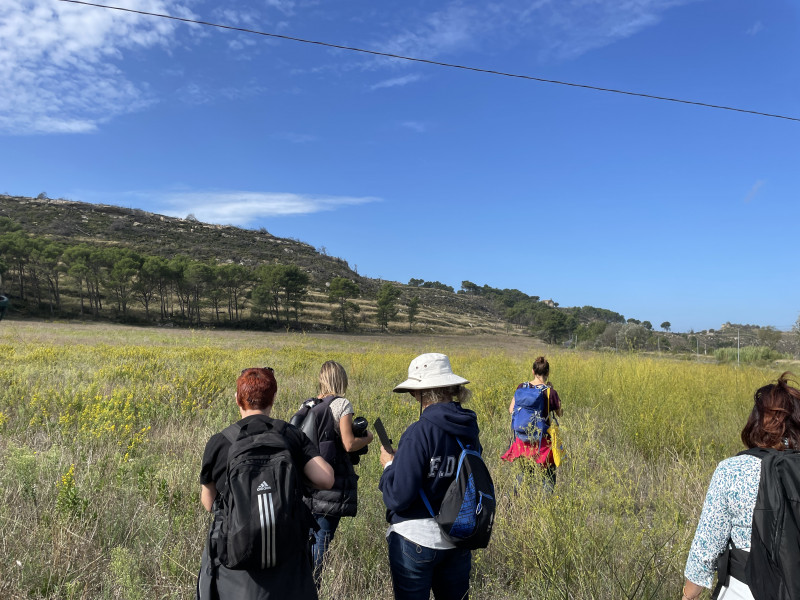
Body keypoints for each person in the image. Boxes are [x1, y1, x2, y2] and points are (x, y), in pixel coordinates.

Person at [197, 367, 334, 600]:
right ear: (273, 399)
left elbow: (208, 501)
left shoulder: (220, 442)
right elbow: (326, 479)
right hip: (286, 564)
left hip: (235, 567)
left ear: (237, 399)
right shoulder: (290, 435)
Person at [682, 373, 800, 600]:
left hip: (744, 589)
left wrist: (689, 596)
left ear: (755, 422)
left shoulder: (733, 470)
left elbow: (705, 549)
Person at [379, 352, 481, 600]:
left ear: (424, 392)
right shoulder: (469, 429)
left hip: (416, 540)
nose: (414, 397)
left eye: (415, 392)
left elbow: (398, 498)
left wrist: (390, 466)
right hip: (458, 536)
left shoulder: (419, 432)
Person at [306, 361, 374, 584]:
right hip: (331, 486)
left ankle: (301, 585)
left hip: (308, 484)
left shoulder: (308, 404)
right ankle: (313, 588)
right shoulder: (341, 404)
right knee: (322, 540)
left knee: (306, 540)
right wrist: (367, 438)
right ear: (340, 379)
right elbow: (348, 444)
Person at [501, 356, 563, 491]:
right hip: (542, 442)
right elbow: (559, 413)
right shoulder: (550, 392)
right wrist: (553, 394)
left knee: (522, 475)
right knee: (548, 476)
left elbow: (511, 410)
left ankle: (515, 499)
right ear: (548, 373)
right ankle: (547, 504)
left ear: (533, 371)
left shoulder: (521, 387)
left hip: (522, 439)